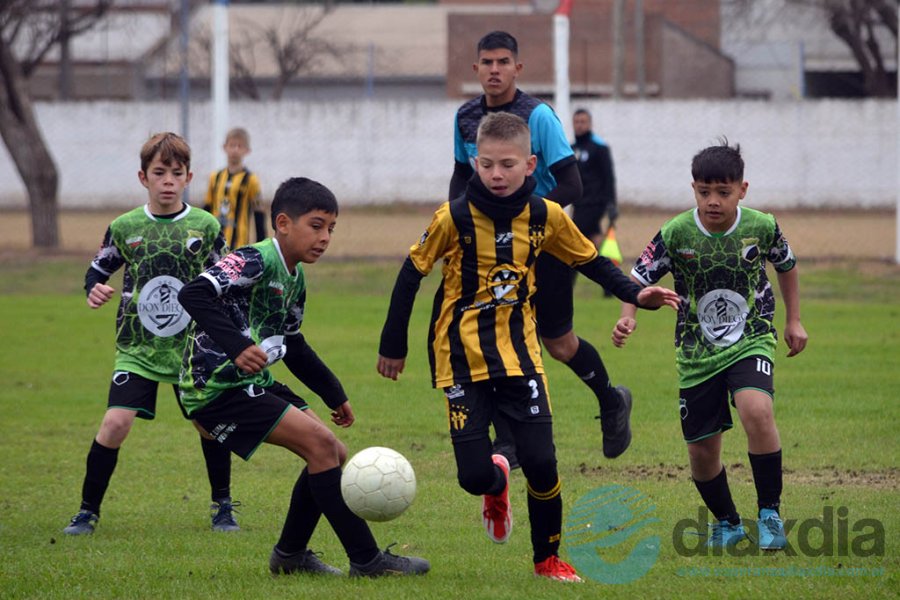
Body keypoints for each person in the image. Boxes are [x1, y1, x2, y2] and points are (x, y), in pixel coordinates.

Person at [379, 113, 679, 580]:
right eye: (487, 165)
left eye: (508, 165)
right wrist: (392, 344)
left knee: (541, 461)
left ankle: (548, 560)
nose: (496, 175)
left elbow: (592, 260)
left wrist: (635, 293)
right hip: (459, 360)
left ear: (531, 164)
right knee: (472, 476)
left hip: (521, 355)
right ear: (475, 163)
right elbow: (410, 274)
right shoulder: (452, 217)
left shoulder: (546, 215)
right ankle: (494, 486)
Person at [177, 177, 430, 577]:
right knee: (321, 447)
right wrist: (238, 347)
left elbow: (292, 344)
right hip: (213, 387)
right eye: (316, 225)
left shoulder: (294, 278)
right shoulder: (254, 258)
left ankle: (291, 555)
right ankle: (367, 560)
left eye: (331, 228)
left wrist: (334, 393)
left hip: (247, 383)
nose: (325, 237)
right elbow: (193, 294)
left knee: (333, 452)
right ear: (282, 223)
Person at [611, 141, 808, 550]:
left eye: (723, 192)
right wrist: (629, 314)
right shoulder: (676, 232)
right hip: (696, 351)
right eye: (704, 192)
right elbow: (636, 279)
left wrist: (793, 319)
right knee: (702, 453)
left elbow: (786, 266)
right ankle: (728, 522)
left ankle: (769, 513)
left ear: (743, 189)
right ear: (693, 189)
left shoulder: (762, 226)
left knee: (757, 409)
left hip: (751, 336)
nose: (713, 201)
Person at [450, 31, 633, 467]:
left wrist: (526, 218)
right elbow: (461, 177)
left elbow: (572, 182)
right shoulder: (465, 117)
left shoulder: (539, 117)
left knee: (559, 343)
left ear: (518, 67)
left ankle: (610, 400)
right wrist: (457, 220)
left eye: (503, 62)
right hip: (490, 253)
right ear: (476, 69)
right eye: (487, 62)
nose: (495, 70)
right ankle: (507, 441)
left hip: (541, 246)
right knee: (493, 337)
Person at [64, 132, 239, 535]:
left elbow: (226, 278)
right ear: (143, 177)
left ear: (188, 177)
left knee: (207, 425)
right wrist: (94, 287)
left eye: (176, 173)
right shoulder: (125, 227)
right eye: (159, 172)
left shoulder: (205, 225)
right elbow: (98, 268)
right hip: (137, 348)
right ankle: (87, 512)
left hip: (192, 350)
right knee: (115, 424)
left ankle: (223, 507)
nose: (168, 181)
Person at [204, 127, 266, 249]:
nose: (235, 150)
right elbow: (207, 209)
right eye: (232, 145)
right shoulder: (214, 177)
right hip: (214, 244)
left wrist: (261, 245)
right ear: (224, 147)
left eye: (240, 146)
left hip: (238, 245)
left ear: (247, 151)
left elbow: (259, 214)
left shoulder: (251, 180)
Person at [570, 108, 618, 250]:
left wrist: (611, 202)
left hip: (595, 201)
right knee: (593, 232)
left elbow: (608, 176)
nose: (579, 125)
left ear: (590, 124)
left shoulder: (599, 148)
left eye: (583, 122)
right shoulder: (571, 148)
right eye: (576, 122)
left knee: (577, 233)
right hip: (579, 201)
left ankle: (580, 265)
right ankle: (600, 260)